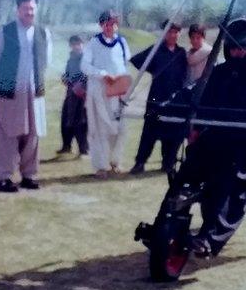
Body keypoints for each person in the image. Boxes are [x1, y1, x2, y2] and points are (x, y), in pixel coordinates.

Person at [173, 17, 246, 258]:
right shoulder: (219, 73)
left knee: (226, 181)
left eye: (243, 48)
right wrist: (170, 103)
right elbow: (195, 92)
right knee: (187, 170)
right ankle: (168, 221)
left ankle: (209, 238)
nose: (237, 53)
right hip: (216, 137)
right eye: (233, 48)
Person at [0, 0, 52, 192]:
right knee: (9, 135)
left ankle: (29, 175)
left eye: (32, 9)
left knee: (33, 135)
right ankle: (4, 177)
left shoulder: (43, 33)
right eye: (26, 9)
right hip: (10, 93)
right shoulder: (4, 32)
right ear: (18, 10)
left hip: (35, 92)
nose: (29, 12)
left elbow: (46, 62)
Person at [129, 21, 188, 174]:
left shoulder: (181, 53)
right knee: (149, 132)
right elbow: (136, 60)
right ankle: (140, 163)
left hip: (174, 100)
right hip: (156, 97)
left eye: (176, 32)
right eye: (170, 32)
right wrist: (152, 69)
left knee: (172, 133)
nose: (173, 35)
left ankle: (168, 163)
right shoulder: (156, 50)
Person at [81, 10, 131, 178]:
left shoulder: (122, 42)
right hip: (99, 92)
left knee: (120, 129)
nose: (110, 27)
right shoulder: (93, 43)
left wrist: (122, 82)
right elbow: (85, 66)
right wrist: (103, 74)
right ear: (101, 24)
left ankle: (114, 162)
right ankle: (101, 166)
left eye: (113, 23)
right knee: (100, 129)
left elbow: (124, 65)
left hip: (118, 93)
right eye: (107, 23)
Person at [57, 35, 88, 157]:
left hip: (82, 95)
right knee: (66, 119)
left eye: (78, 43)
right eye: (73, 44)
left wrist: (82, 85)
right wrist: (65, 78)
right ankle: (66, 146)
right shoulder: (70, 59)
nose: (76, 46)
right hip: (70, 94)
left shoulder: (86, 58)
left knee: (81, 122)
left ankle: (83, 149)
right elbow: (67, 74)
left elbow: (88, 74)